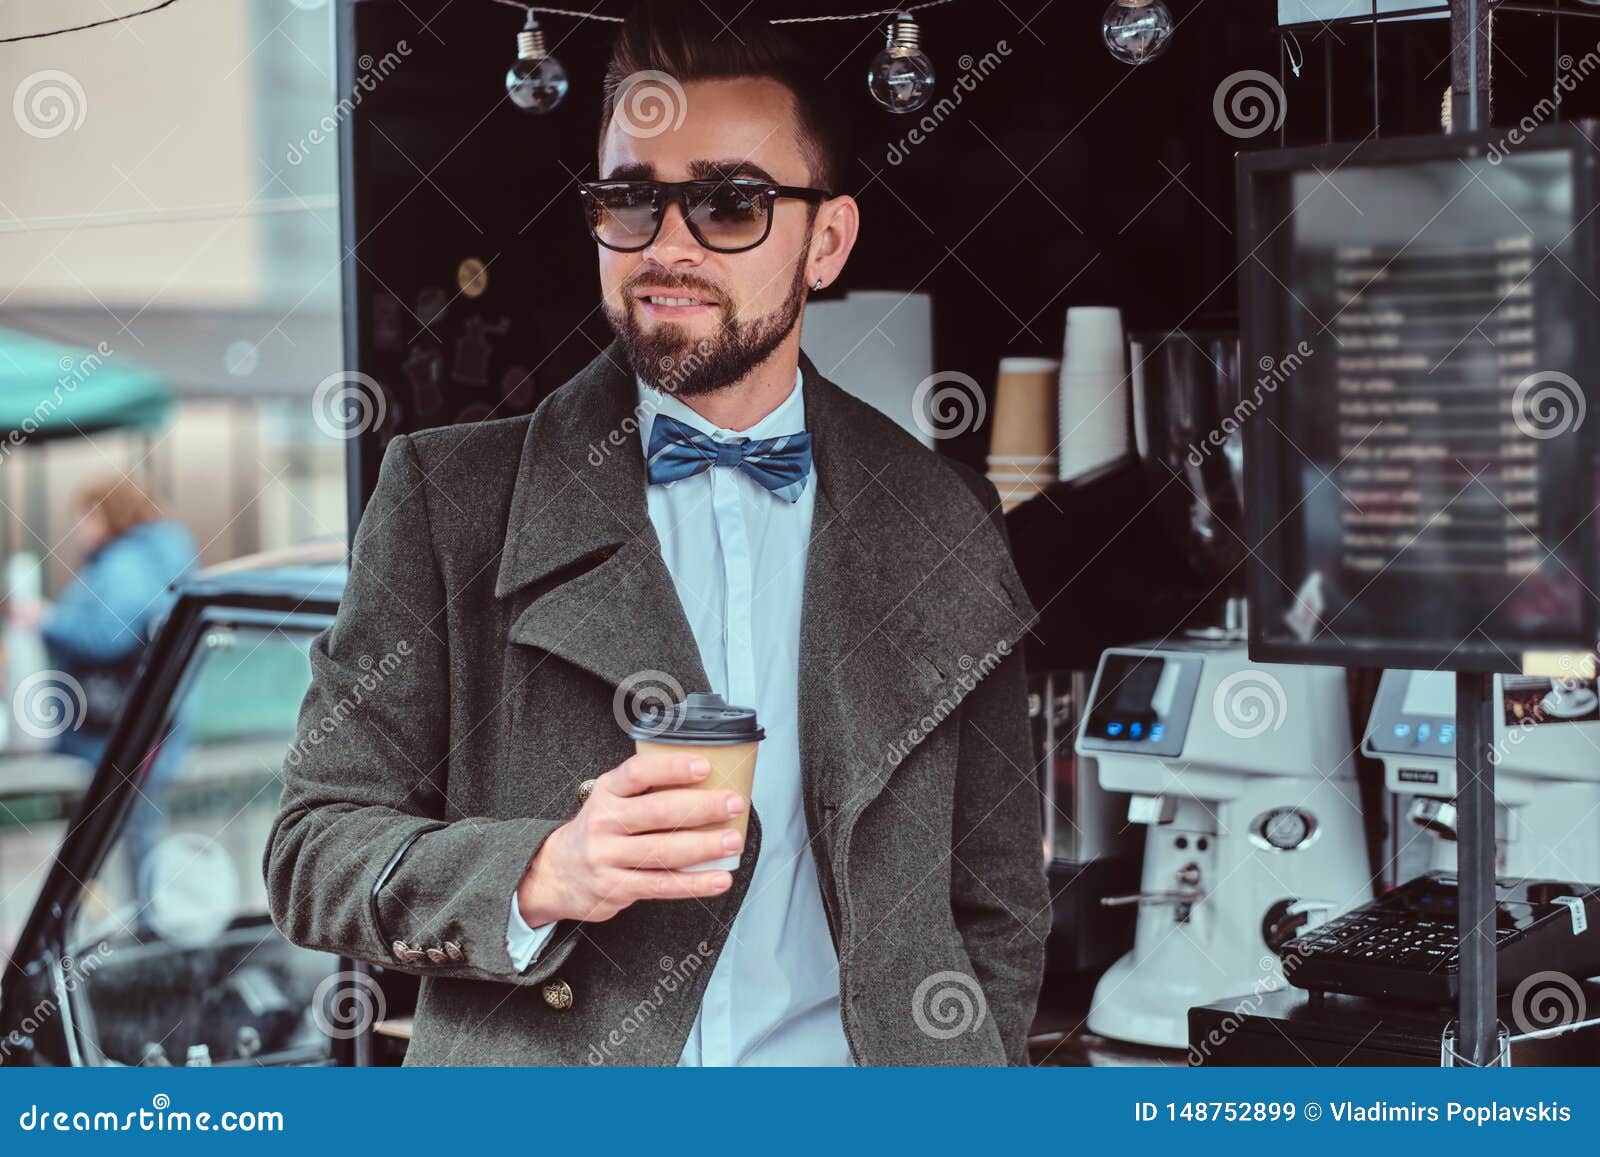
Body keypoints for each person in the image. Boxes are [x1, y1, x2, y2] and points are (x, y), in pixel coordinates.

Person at [266, 0, 1049, 1066]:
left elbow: (996, 901)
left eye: (729, 202)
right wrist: (540, 870)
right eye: (632, 198)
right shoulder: (448, 499)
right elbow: (313, 852)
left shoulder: (943, 515)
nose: (667, 245)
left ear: (825, 241)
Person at [41, 475, 197, 766]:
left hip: (106, 732)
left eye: (86, 517)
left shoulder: (124, 565)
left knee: (110, 808)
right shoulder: (155, 556)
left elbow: (110, 635)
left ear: (108, 514)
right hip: (144, 728)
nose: (78, 529)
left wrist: (48, 620)